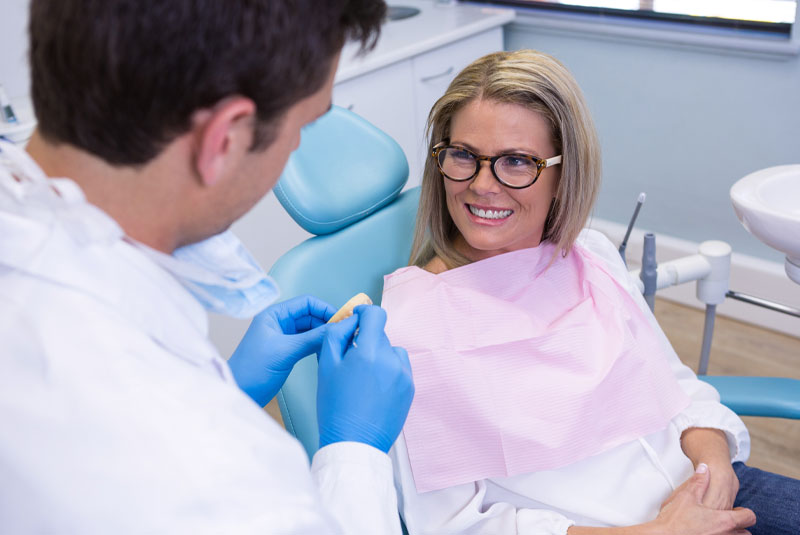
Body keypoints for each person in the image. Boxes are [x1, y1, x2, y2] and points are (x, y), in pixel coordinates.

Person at [0, 1, 414, 533]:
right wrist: (356, 454)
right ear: (226, 137)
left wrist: (232, 389)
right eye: (306, 125)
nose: (295, 146)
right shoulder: (220, 482)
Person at [380, 49, 799, 535]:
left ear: (563, 174)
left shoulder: (589, 256)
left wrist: (716, 475)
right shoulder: (409, 328)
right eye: (464, 156)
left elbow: (678, 388)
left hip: (708, 484)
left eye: (517, 161)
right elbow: (458, 525)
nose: (482, 184)